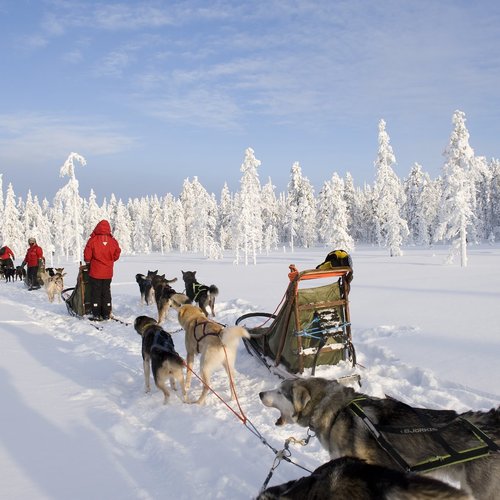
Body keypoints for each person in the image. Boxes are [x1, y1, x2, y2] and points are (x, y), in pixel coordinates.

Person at [83, 220, 121, 321]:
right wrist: (110, 260)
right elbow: (117, 253)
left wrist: (88, 262)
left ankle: (96, 313)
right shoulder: (113, 241)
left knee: (96, 292)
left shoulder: (93, 240)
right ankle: (106, 313)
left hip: (95, 272)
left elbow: (87, 255)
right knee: (106, 292)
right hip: (108, 272)